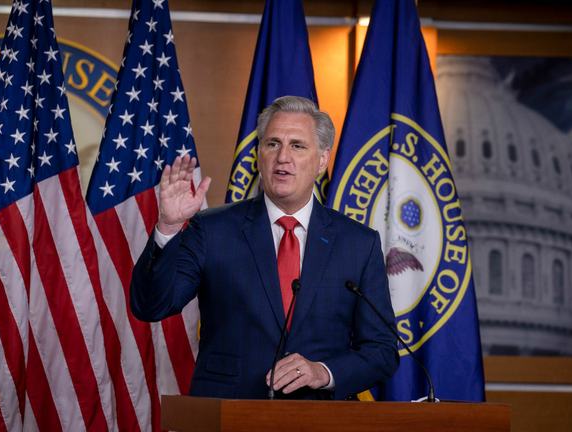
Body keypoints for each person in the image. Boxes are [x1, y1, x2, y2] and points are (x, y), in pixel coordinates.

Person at [130, 96, 399, 400]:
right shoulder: (211, 229)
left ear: (322, 160)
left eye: (297, 145)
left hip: (319, 418)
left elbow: (382, 351)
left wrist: (323, 372)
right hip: (229, 412)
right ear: (259, 155)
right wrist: (167, 227)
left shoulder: (358, 243)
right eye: (272, 144)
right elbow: (151, 306)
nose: (283, 156)